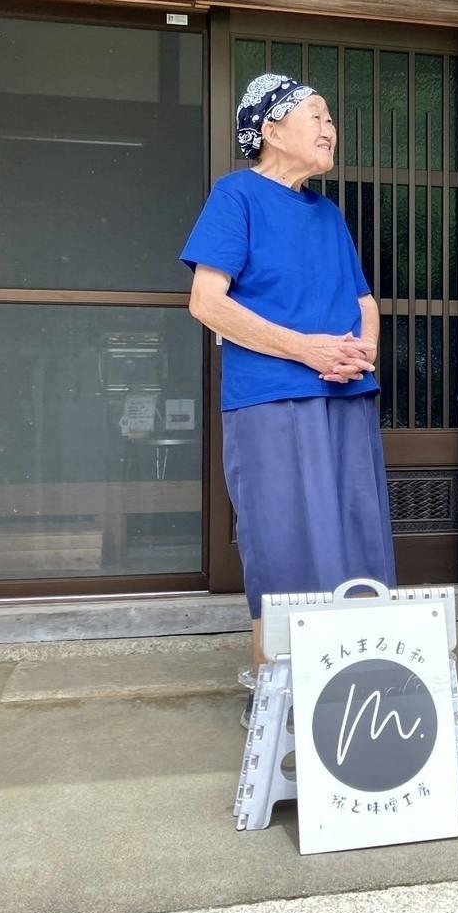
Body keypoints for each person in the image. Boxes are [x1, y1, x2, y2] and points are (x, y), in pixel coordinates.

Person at [181, 73, 397, 726]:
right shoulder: (237, 195)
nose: (330, 128)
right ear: (270, 130)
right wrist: (307, 350)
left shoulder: (327, 213)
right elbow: (207, 302)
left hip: (347, 393)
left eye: (330, 118)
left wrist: (362, 349)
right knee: (284, 540)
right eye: (317, 115)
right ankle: (275, 693)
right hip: (272, 399)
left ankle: (361, 686)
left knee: (358, 535)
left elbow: (363, 301)